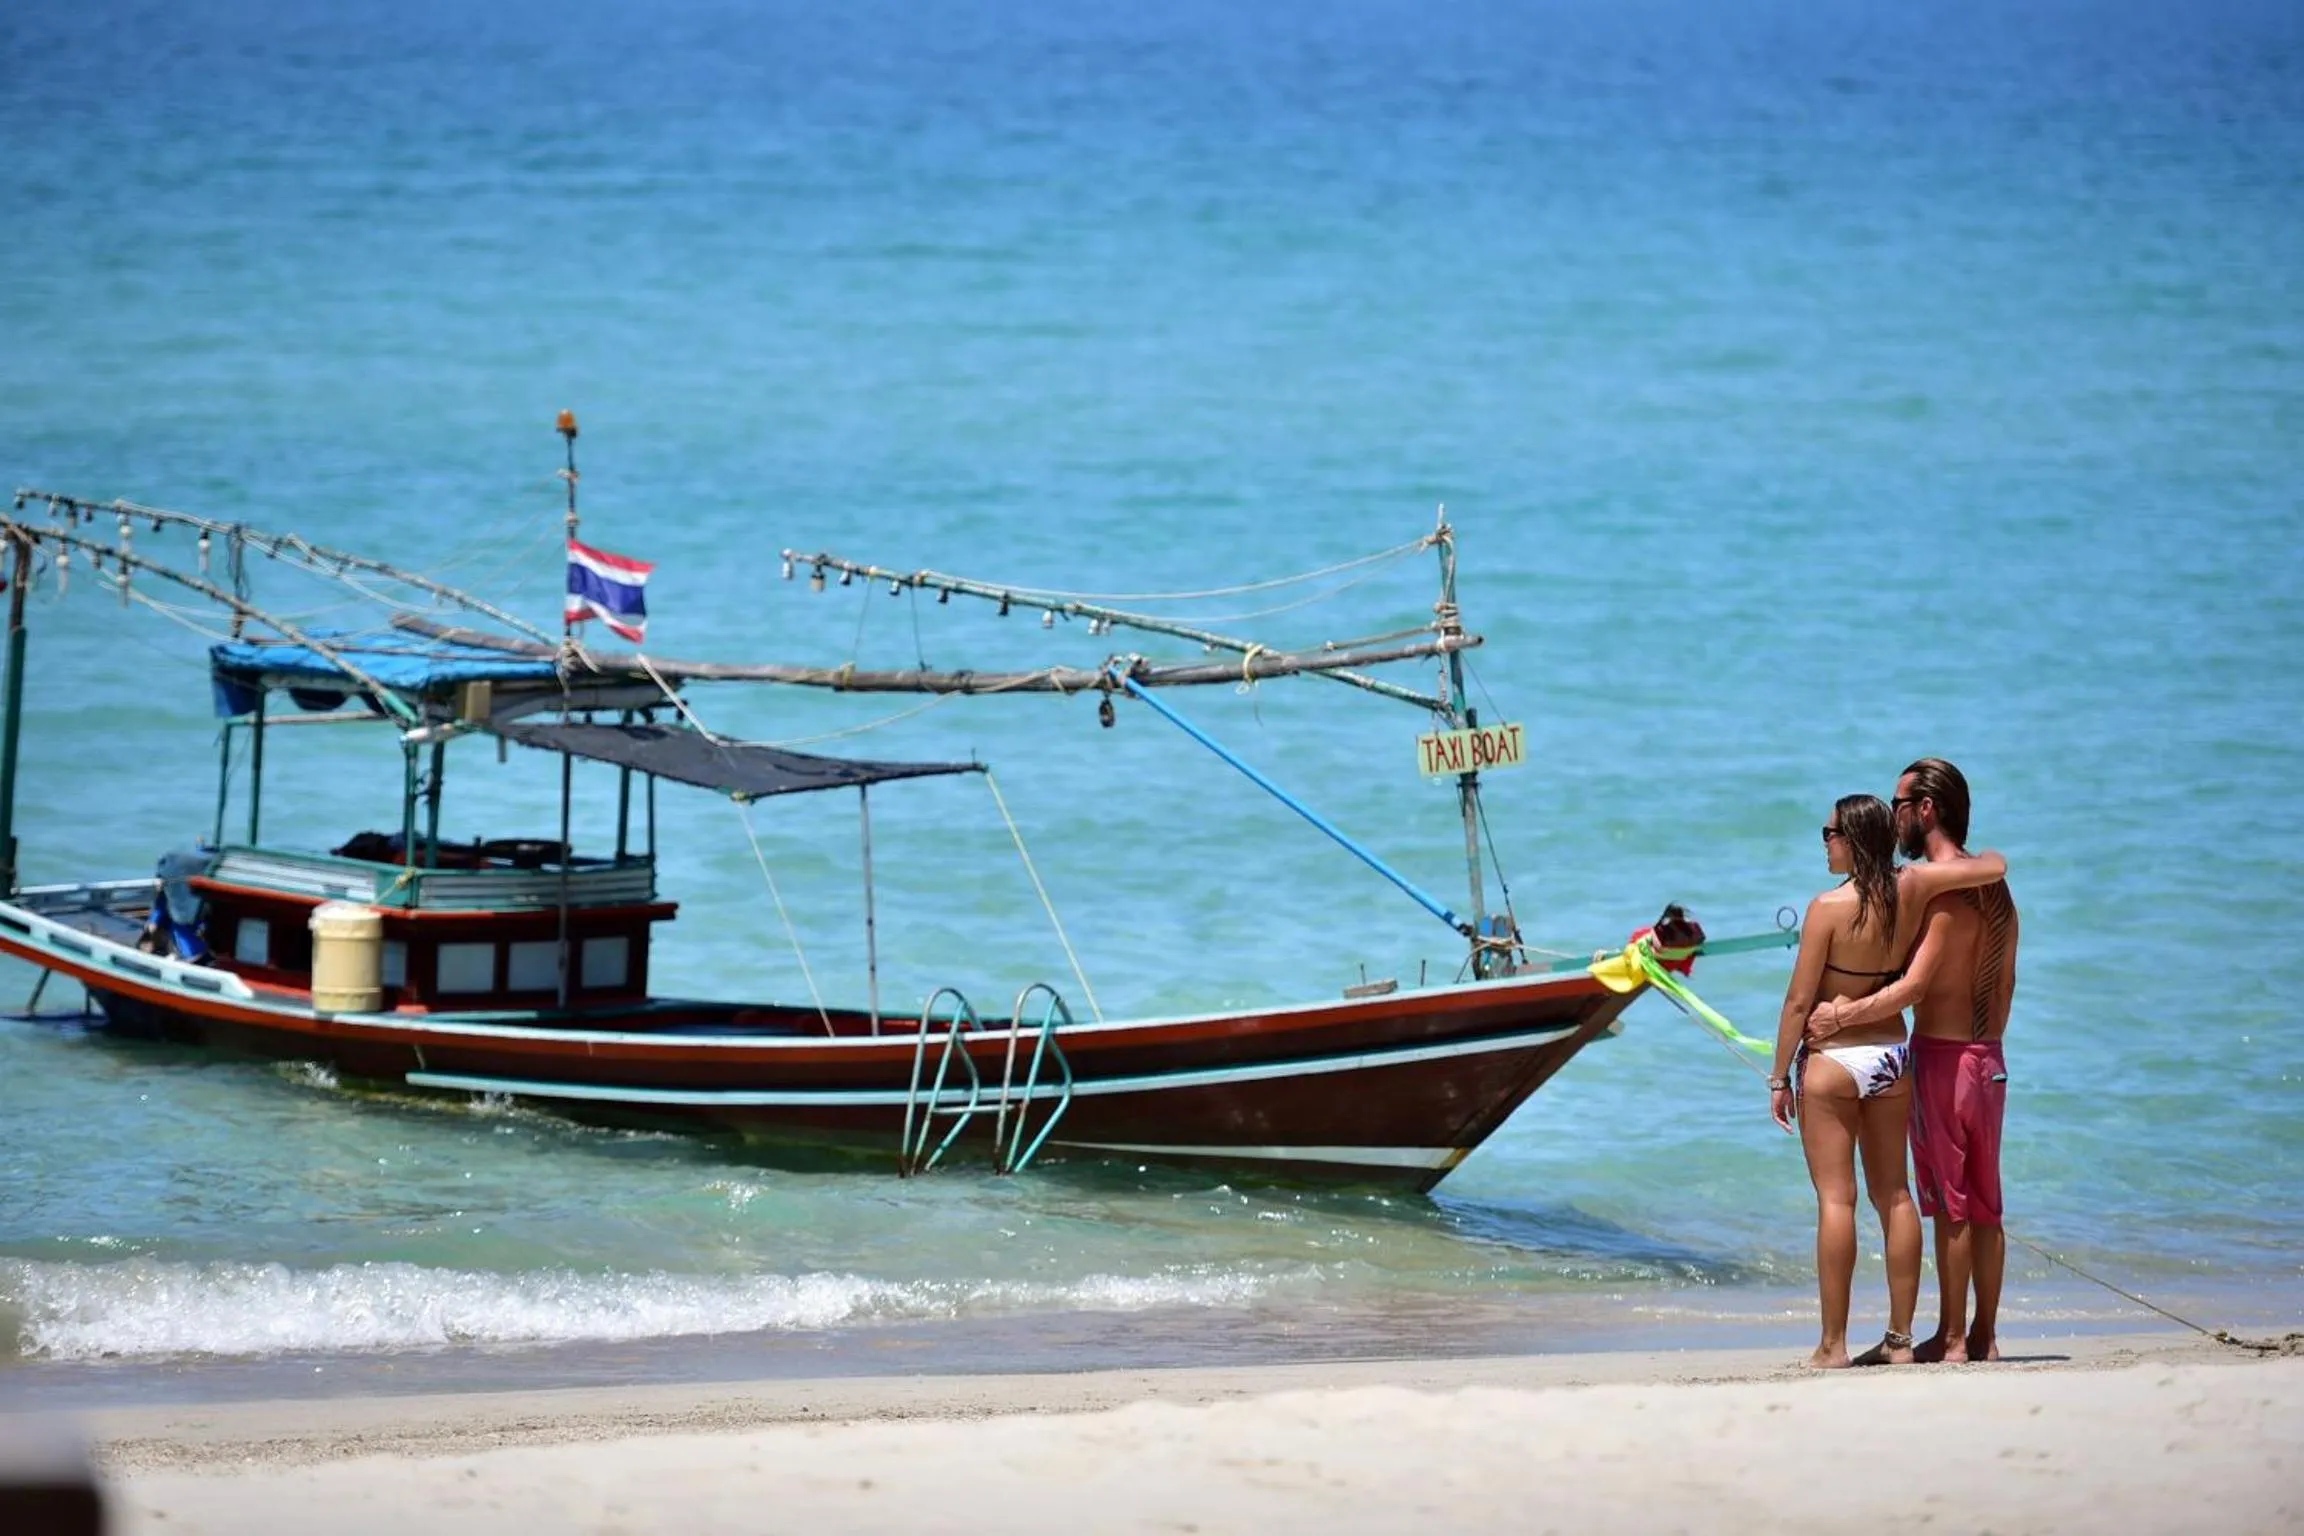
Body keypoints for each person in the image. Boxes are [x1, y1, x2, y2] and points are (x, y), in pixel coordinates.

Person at [1769, 793, 2008, 1369]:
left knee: (1836, 1200)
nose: (1824, 843)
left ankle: (1833, 1346)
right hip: (1890, 1055)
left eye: (1829, 833)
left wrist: (1778, 1077)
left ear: (1852, 838)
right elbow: (1996, 864)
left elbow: (1801, 999)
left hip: (1832, 1060)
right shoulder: (1914, 889)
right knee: (1895, 1196)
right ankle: (1900, 1341)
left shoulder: (1826, 907)